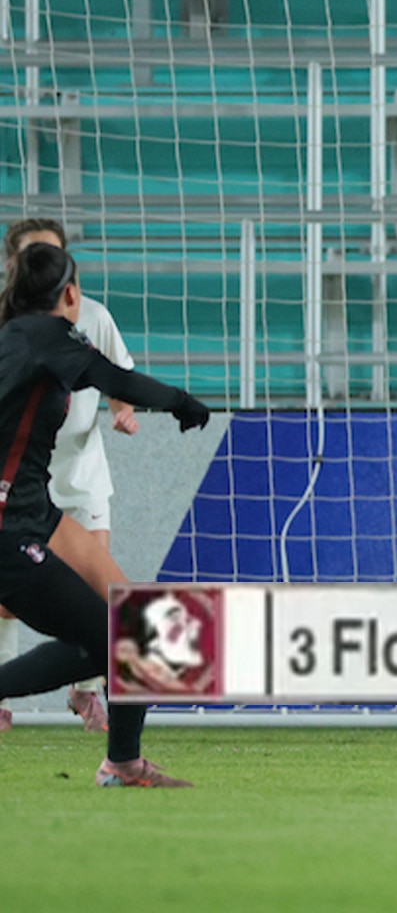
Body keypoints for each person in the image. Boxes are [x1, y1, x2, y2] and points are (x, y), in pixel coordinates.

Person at [0, 242, 210, 785]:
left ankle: (123, 762)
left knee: (134, 623)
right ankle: (122, 762)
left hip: (34, 512)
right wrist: (184, 403)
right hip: (8, 526)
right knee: (119, 639)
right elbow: (117, 379)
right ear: (70, 293)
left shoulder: (15, 338)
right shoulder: (48, 336)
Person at [0, 219, 137, 734]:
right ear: (15, 266)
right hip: (17, 484)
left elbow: (118, 377)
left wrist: (125, 409)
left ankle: (89, 696)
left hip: (80, 474)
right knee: (9, 604)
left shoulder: (93, 317)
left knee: (109, 596)